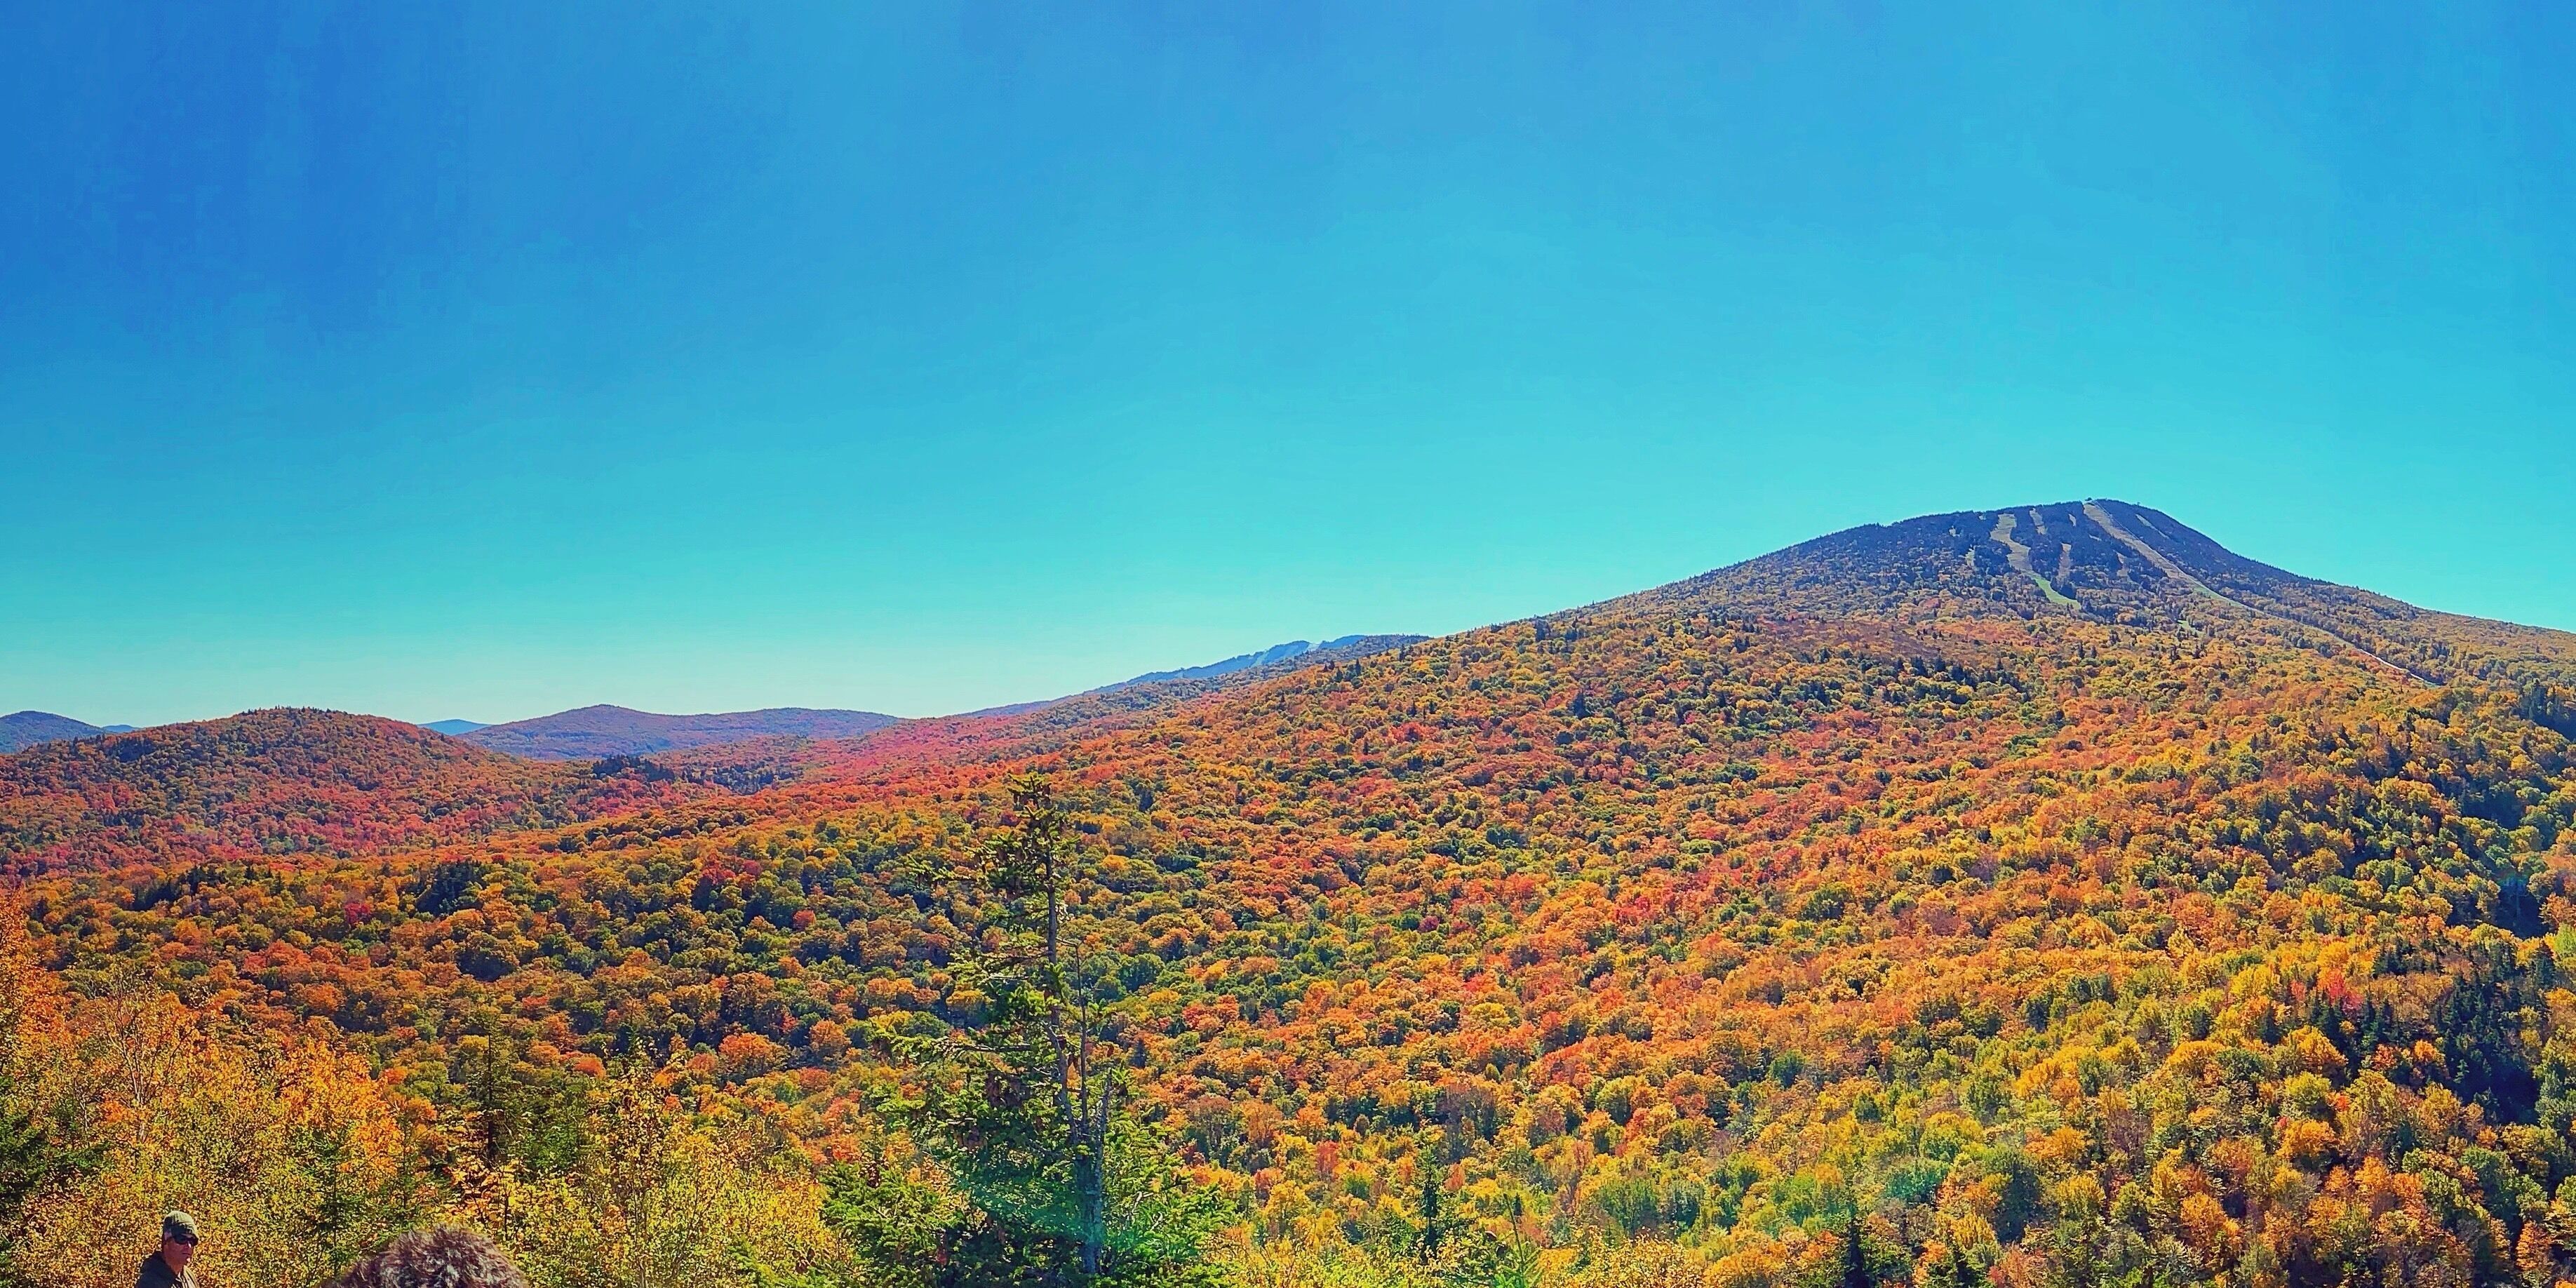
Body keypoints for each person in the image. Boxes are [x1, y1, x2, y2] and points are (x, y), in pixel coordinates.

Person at [135, 1212, 198, 1288]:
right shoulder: (150, 1282)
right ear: (166, 1242)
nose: (188, 1246)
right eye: (182, 1239)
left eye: (193, 1241)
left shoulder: (189, 1277)